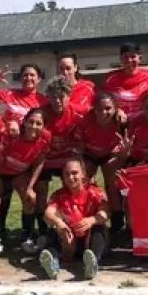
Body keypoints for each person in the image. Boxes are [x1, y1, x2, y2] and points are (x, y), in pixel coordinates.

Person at [0, 108, 51, 254]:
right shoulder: (12, 135)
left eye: (38, 123)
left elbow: (40, 162)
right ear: (24, 122)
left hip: (18, 173)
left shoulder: (45, 138)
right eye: (31, 122)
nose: (34, 126)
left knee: (29, 198)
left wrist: (30, 186)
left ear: (44, 126)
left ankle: (26, 236)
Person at [33, 77, 85, 249]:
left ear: (69, 96)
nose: (56, 101)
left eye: (61, 96)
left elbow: (100, 111)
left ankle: (76, 226)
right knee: (40, 191)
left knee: (72, 192)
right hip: (46, 160)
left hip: (67, 160)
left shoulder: (79, 112)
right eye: (53, 97)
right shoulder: (42, 113)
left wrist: (119, 113)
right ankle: (42, 231)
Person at [39, 157, 109, 280]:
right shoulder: (59, 195)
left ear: (83, 174)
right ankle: (52, 263)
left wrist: (92, 220)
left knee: (98, 228)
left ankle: (93, 263)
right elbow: (48, 213)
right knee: (53, 228)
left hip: (88, 240)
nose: (70, 177)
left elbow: (105, 213)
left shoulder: (95, 193)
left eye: (74, 173)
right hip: (69, 239)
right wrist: (59, 223)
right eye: (67, 174)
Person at [74, 93, 127, 235]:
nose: (104, 112)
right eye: (99, 109)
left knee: (112, 184)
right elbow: (79, 147)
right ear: (94, 109)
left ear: (116, 109)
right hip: (89, 153)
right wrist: (82, 168)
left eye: (108, 108)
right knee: (82, 182)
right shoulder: (85, 121)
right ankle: (81, 218)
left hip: (110, 153)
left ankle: (117, 223)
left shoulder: (121, 121)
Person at [103, 42, 148, 115]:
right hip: (119, 119)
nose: (129, 60)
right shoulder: (111, 78)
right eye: (125, 57)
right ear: (121, 59)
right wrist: (117, 111)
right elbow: (105, 102)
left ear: (140, 58)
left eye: (133, 56)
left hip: (143, 118)